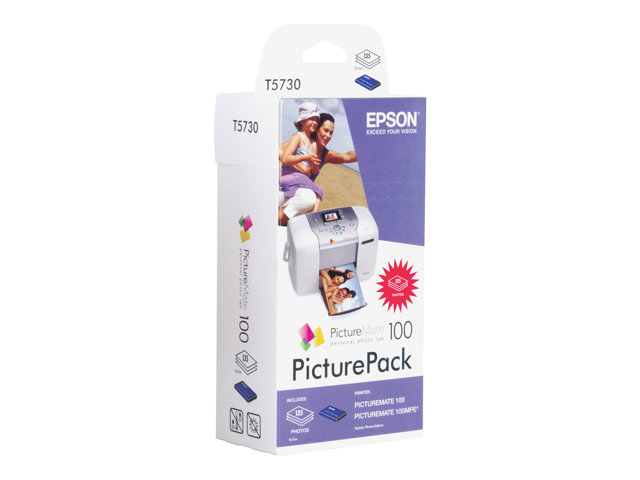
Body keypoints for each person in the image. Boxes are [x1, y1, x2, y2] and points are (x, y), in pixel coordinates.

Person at [278, 111, 358, 225]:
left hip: (300, 196)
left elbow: (347, 156)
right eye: (326, 130)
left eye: (331, 133)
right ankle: (273, 222)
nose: (328, 136)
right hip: (284, 190)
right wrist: (300, 166)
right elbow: (278, 150)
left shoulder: (326, 155)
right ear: (316, 129)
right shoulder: (304, 141)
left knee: (311, 205)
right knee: (309, 199)